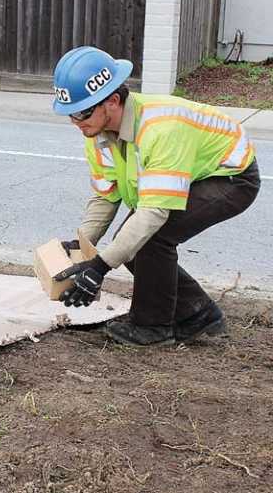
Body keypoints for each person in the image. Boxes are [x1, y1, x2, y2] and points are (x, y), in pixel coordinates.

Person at [51, 46, 260, 346]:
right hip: (196, 176)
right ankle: (196, 314)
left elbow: (153, 215)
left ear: (111, 101)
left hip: (231, 176)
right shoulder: (96, 134)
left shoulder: (161, 129)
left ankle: (152, 328)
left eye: (82, 112)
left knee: (150, 236)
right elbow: (105, 196)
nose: (76, 122)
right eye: (69, 114)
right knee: (132, 238)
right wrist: (83, 244)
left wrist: (99, 267)